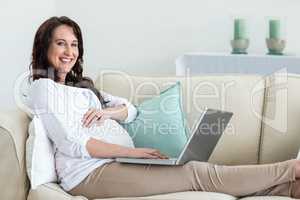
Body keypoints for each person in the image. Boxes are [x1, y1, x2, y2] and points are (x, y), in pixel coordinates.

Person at [28, 16, 300, 199]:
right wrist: (133, 152)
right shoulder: (44, 88)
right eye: (61, 43)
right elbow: (72, 143)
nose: (69, 52)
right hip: (89, 174)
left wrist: (106, 111)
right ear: (45, 46)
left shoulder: (82, 88)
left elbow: (130, 109)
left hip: (115, 163)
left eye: (74, 44)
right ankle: (292, 169)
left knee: (195, 169)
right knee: (196, 173)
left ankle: (290, 187)